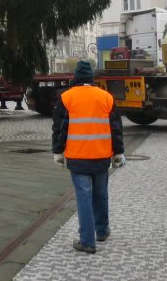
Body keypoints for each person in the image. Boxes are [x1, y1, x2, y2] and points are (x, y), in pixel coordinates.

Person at [52, 60, 125, 254]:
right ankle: (102, 231)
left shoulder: (66, 98)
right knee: (101, 194)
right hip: (102, 157)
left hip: (78, 158)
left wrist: (57, 152)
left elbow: (60, 129)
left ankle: (87, 241)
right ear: (92, 78)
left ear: (75, 77)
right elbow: (116, 128)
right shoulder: (106, 98)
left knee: (84, 196)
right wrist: (119, 152)